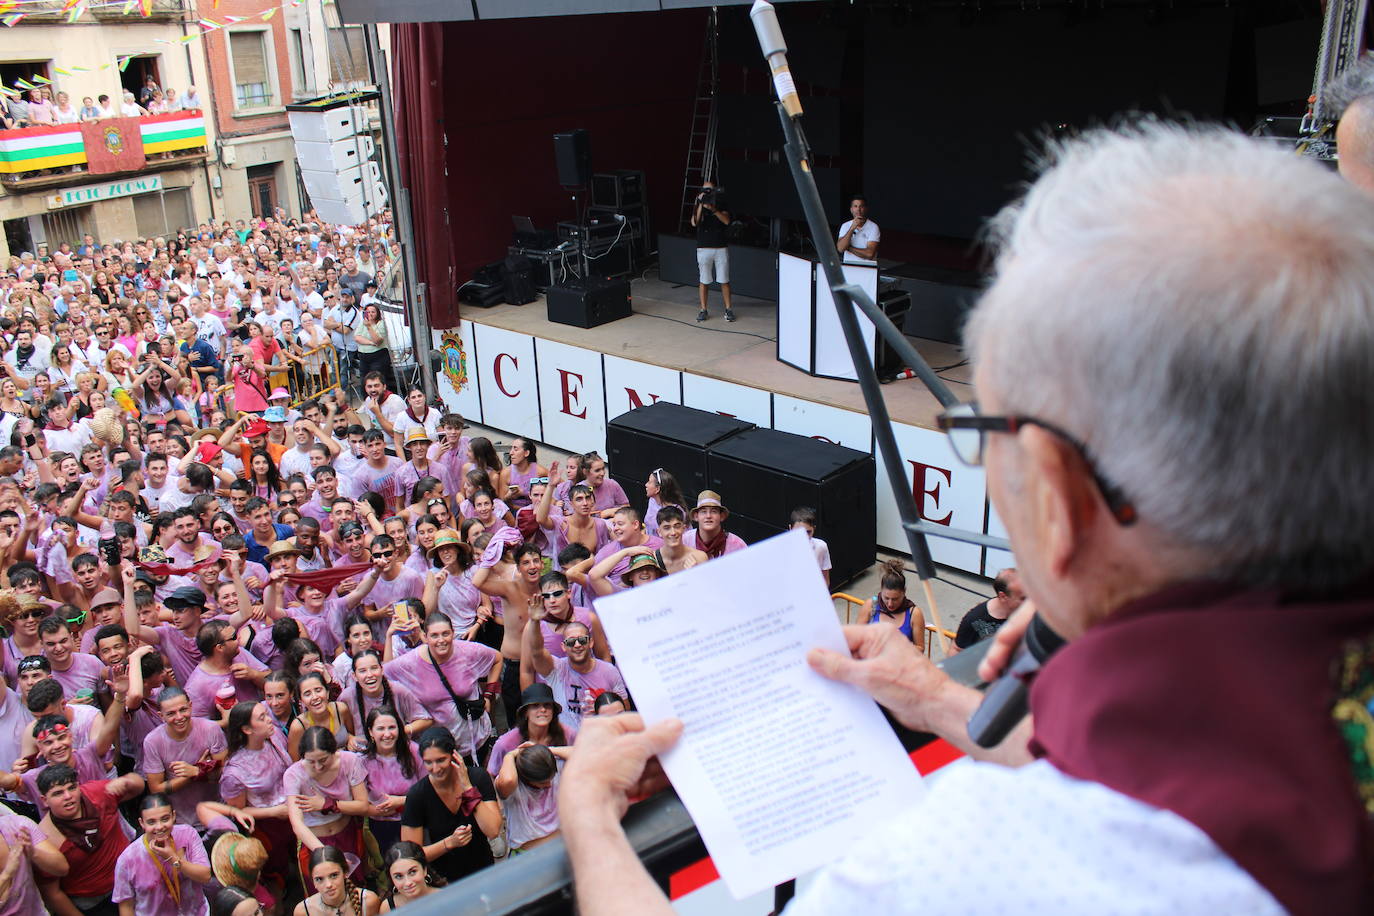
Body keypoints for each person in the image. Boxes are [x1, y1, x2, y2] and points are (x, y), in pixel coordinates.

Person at [563, 123, 1374, 912]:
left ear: (1060, 501)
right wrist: (937, 698)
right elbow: (1164, 775)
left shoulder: (955, 867)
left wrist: (592, 823)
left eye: (988, 436)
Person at [36, 762, 145, 916]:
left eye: (72, 788)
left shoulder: (97, 793)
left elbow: (138, 786)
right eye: (58, 793)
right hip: (95, 904)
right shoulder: (45, 839)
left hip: (135, 880)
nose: (68, 797)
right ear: (44, 800)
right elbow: (52, 894)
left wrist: (128, 780)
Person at [399, 727, 500, 885]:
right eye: (428, 763)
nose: (436, 769)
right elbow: (411, 855)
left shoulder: (477, 778)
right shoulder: (418, 795)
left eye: (441, 760)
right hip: (443, 879)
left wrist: (467, 788)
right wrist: (449, 843)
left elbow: (493, 830)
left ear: (454, 756)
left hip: (483, 869)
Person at [112, 794, 212, 916]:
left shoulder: (188, 834)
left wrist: (173, 858)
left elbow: (205, 876)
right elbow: (126, 905)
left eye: (165, 819)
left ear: (174, 816)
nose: (159, 827)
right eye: (151, 822)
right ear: (142, 823)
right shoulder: (128, 859)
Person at [520, 619, 624, 732]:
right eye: (571, 642)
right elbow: (537, 651)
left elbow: (624, 709)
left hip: (601, 738)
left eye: (582, 640)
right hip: (565, 741)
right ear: (563, 646)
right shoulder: (557, 669)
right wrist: (535, 622)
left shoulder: (609, 671)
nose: (577, 645)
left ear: (591, 642)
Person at [952, 567, 1025, 652]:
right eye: (1023, 598)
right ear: (1003, 596)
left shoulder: (1029, 611)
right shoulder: (974, 619)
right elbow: (957, 649)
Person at [291, 846, 378, 916]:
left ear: (345, 873)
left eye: (334, 875)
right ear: (313, 881)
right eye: (319, 879)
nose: (328, 885)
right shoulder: (303, 911)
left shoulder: (368, 901)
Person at [690, 179, 733, 322]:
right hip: (704, 247)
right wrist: (701, 205)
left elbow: (727, 221)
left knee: (724, 279)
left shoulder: (721, 203)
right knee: (704, 280)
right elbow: (695, 222)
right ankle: (703, 309)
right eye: (705, 190)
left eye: (710, 190)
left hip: (720, 247)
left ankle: (728, 309)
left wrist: (713, 208)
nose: (707, 193)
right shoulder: (698, 204)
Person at [378, 841, 443, 912]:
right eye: (399, 876)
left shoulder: (446, 897)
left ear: (424, 870)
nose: (408, 883)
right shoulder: (387, 907)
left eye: (412, 872)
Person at [681, 490, 746, 558]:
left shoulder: (737, 545)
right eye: (703, 512)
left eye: (714, 511)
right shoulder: (685, 540)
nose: (708, 516)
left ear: (722, 516)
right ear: (696, 516)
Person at [836, 195, 879, 261]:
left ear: (866, 209)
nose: (858, 209)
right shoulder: (845, 225)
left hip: (868, 268)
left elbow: (869, 254)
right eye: (855, 206)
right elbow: (840, 249)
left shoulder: (873, 227)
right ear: (851, 210)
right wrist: (852, 228)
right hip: (849, 267)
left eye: (861, 206)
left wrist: (848, 248)